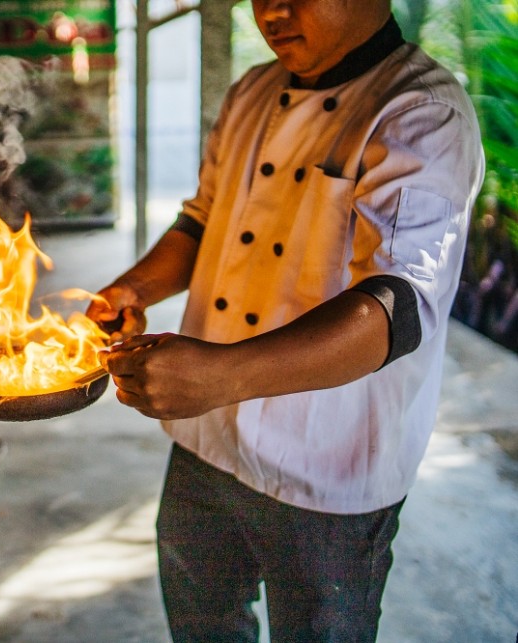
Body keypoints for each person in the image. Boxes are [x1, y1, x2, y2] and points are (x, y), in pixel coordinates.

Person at [87, 0, 485, 640]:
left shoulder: (419, 113)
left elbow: (397, 309)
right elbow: (201, 220)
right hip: (205, 438)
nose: (272, 9)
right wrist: (134, 286)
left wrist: (222, 375)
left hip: (328, 461)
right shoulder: (252, 90)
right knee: (203, 624)